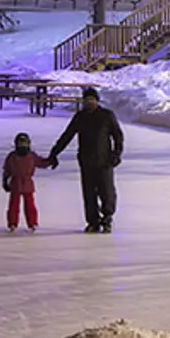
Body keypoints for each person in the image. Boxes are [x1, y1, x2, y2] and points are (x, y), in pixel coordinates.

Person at [46, 86, 125, 233]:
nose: (89, 103)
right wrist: (54, 153)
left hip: (105, 161)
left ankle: (107, 219)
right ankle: (93, 222)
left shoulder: (106, 116)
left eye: (92, 100)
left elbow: (118, 136)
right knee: (89, 194)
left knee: (107, 193)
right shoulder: (80, 117)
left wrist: (116, 153)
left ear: (97, 101)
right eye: (87, 100)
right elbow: (67, 136)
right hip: (86, 161)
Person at [1, 132, 45, 232]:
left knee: (30, 205)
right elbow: (7, 170)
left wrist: (51, 160)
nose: (22, 145)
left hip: (27, 183)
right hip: (15, 183)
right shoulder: (12, 156)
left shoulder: (31, 156)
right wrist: (5, 181)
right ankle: (12, 223)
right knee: (13, 205)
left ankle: (32, 223)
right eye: (20, 143)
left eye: (24, 143)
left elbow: (41, 162)